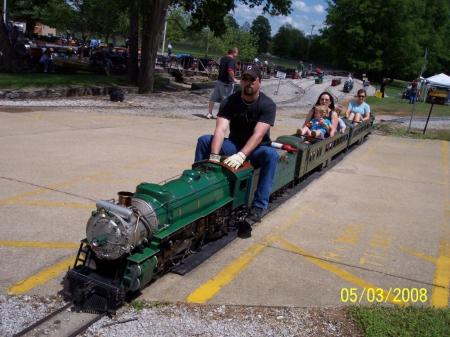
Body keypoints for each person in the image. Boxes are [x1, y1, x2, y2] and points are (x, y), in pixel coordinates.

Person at [195, 65, 278, 226]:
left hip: (257, 149)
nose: (248, 83)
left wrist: (242, 155)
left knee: (271, 155)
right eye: (245, 79)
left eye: (252, 80)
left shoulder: (268, 105)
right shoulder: (230, 101)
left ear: (259, 82)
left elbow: (258, 134)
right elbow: (220, 129)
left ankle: (258, 206)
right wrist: (214, 156)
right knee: (205, 140)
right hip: (234, 144)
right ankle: (200, 184)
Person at [206, 47, 239, 119]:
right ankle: (221, 115)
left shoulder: (223, 58)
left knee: (213, 98)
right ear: (234, 52)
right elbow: (230, 69)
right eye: (237, 52)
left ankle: (209, 113)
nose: (237, 54)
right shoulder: (232, 60)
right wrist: (233, 79)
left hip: (219, 80)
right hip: (227, 82)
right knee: (226, 100)